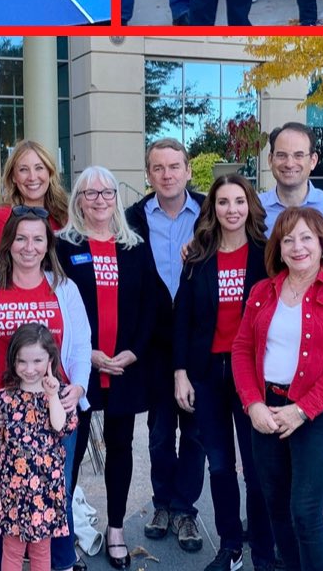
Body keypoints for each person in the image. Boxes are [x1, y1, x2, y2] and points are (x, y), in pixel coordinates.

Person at [232, 205, 323, 571]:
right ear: (278, 248)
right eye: (288, 239)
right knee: (276, 507)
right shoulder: (263, 291)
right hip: (267, 411)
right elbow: (242, 350)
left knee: (306, 511)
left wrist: (303, 409)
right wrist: (252, 404)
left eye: (306, 238)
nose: (297, 247)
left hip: (316, 414)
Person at [0, 207, 92, 571]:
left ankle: (60, 564)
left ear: (47, 244)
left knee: (55, 495)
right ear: (8, 243)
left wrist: (78, 388)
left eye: (37, 239)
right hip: (0, 410)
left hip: (53, 410)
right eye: (21, 238)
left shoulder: (63, 288)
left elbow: (82, 345)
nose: (29, 247)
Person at [57, 168, 160, 570]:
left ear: (116, 197)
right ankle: (61, 533)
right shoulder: (64, 247)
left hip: (124, 367)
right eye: (90, 193)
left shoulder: (134, 246)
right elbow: (57, 306)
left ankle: (116, 528)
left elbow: (151, 303)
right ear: (78, 200)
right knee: (70, 450)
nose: (99, 199)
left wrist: (133, 351)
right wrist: (89, 353)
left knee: (120, 447)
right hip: (80, 367)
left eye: (106, 192)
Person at [174, 174, 275, 571]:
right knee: (219, 465)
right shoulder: (198, 256)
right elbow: (181, 317)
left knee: (256, 468)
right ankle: (230, 545)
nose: (231, 209)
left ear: (249, 205)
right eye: (222, 202)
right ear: (212, 209)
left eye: (238, 201)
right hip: (208, 374)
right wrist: (180, 372)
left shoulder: (268, 254)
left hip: (252, 375)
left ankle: (265, 553)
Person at [126, 138, 206, 554]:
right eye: (158, 168)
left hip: (199, 341)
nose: (167, 174)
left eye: (175, 166)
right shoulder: (133, 218)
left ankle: (186, 510)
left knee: (195, 433)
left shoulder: (211, 212)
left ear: (188, 170)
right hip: (156, 343)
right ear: (148, 173)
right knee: (159, 433)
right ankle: (161, 504)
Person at [0, 323, 79, 571]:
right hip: (12, 489)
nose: (29, 369)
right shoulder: (4, 397)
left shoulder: (60, 395)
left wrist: (52, 395)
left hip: (45, 491)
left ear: (51, 360)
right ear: (13, 360)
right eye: (22, 361)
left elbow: (60, 426)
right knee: (11, 550)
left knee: (42, 550)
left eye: (37, 361)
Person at [0, 139, 70, 272]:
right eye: (24, 169)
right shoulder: (1, 219)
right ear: (13, 176)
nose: (32, 177)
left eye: (39, 168)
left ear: (50, 172)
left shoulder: (64, 215)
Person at [259, 122, 323, 236]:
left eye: (298, 155)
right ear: (270, 160)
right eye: (281, 155)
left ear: (313, 161)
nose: (289, 164)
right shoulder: (254, 209)